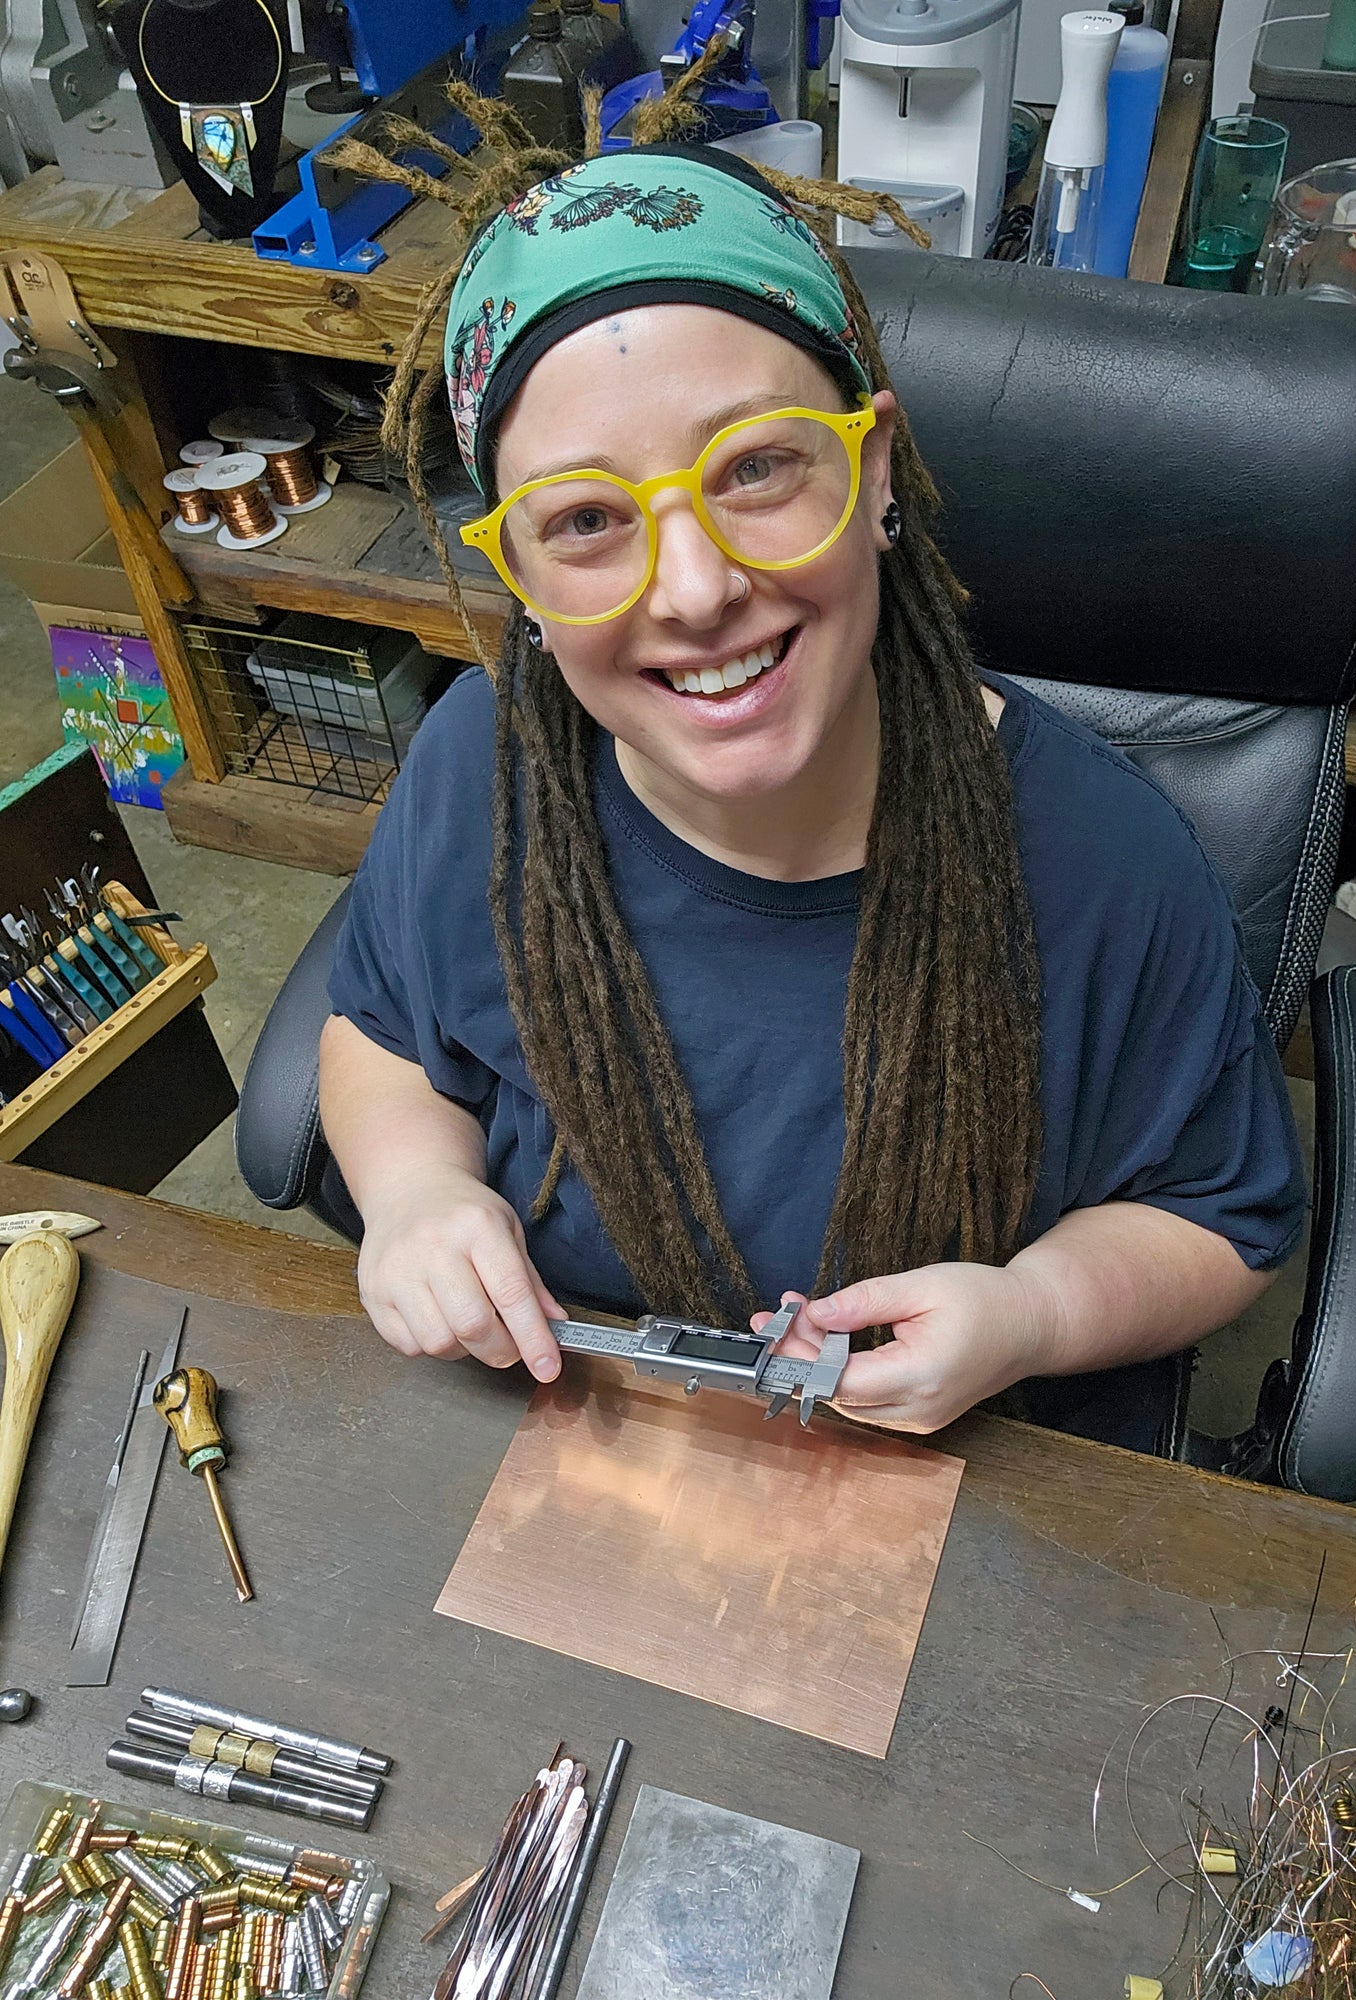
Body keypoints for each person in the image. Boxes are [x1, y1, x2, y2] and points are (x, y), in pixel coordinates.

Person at [319, 121, 1304, 1452]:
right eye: (585, 520)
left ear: (874, 468)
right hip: (578, 1437)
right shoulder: (480, 773)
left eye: (756, 467)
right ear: (521, 581)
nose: (696, 589)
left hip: (956, 1475)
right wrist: (415, 1195)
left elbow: (1218, 1220)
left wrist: (1034, 1312)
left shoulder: (1107, 866)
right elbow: (383, 1038)